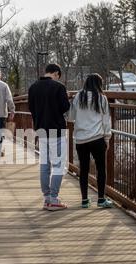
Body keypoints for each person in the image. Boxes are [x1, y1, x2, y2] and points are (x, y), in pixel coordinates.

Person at [28, 64, 70, 212]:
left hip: (41, 129)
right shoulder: (58, 87)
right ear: (56, 73)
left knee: (45, 164)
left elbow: (31, 108)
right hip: (56, 130)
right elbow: (65, 107)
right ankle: (54, 198)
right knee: (58, 165)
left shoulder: (33, 87)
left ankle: (47, 198)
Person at [68, 73, 114, 209]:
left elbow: (70, 118)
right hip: (97, 138)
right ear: (99, 84)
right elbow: (106, 121)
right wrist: (107, 138)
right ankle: (101, 199)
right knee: (101, 169)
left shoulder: (78, 96)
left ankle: (84, 200)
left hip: (81, 139)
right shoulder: (102, 98)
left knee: (84, 169)